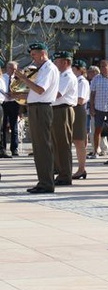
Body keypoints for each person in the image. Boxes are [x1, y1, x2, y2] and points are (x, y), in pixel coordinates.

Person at [14, 42, 59, 193]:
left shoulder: (48, 68)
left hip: (41, 109)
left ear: (42, 54)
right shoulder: (43, 69)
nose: (32, 58)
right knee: (39, 148)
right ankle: (43, 181)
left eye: (34, 54)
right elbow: (37, 92)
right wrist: (21, 95)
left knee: (43, 147)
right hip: (36, 108)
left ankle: (46, 183)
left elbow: (40, 90)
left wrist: (23, 78)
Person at [51, 51, 77, 186]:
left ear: (66, 62)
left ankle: (65, 175)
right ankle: (61, 173)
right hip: (57, 110)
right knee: (57, 144)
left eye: (57, 61)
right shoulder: (61, 75)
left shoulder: (67, 76)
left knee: (63, 144)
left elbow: (57, 94)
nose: (55, 64)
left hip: (63, 110)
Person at [89, 59, 108, 161]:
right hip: (99, 108)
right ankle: (96, 150)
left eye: (104, 66)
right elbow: (92, 94)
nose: (102, 68)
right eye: (101, 66)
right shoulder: (96, 79)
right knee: (97, 130)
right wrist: (92, 108)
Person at [71, 60, 90, 179]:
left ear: (79, 69)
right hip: (74, 109)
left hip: (78, 109)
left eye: (73, 68)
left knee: (79, 141)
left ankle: (81, 169)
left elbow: (81, 100)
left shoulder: (82, 82)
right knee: (76, 141)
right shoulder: (75, 81)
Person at [2, 61, 20, 156]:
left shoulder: (18, 78)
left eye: (15, 69)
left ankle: (14, 148)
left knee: (14, 127)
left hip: (14, 103)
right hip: (4, 103)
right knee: (2, 126)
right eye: (12, 68)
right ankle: (3, 148)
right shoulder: (2, 77)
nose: (13, 71)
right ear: (7, 68)